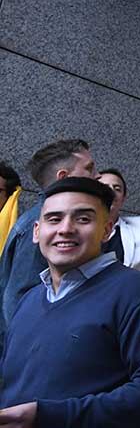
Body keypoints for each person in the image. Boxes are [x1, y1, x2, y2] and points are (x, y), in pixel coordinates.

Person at [0, 176, 140, 427]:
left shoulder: (139, 293)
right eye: (54, 219)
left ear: (107, 229)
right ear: (37, 231)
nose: (65, 228)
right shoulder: (29, 299)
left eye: (83, 219)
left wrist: (51, 417)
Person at [0, 139, 97, 346]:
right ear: (63, 176)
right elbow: (18, 301)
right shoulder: (35, 226)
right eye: (89, 168)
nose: (97, 176)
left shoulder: (42, 221)